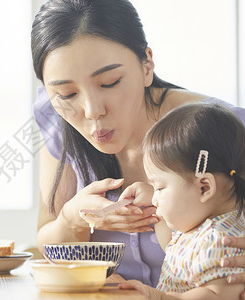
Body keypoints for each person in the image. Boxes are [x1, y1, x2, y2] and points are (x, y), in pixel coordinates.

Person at [31, 0, 245, 290]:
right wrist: (72, 220)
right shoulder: (59, 123)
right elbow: (46, 240)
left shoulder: (227, 129)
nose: (92, 110)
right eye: (67, 93)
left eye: (110, 82)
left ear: (147, 65)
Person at [117, 102, 244, 299]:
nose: (156, 198)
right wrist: (151, 196)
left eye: (160, 187)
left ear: (204, 187)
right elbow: (170, 245)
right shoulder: (197, 230)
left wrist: (161, 297)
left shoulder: (219, 241)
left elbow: (217, 296)